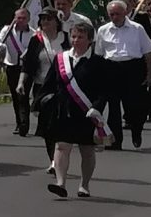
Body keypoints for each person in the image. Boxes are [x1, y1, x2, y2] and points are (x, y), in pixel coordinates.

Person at [37, 13, 107, 198]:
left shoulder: (98, 62)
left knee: (87, 150)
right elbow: (49, 84)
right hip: (64, 111)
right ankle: (60, 183)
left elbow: (104, 90)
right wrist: (41, 102)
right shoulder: (61, 59)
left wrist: (97, 108)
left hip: (87, 112)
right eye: (73, 36)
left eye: (80, 37)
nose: (75, 40)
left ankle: (84, 185)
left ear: (90, 40)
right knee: (61, 146)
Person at [92, 0, 151, 149]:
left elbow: (148, 53)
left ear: (125, 12)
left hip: (133, 68)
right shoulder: (103, 30)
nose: (115, 17)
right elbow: (99, 54)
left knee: (134, 106)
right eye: (111, 14)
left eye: (117, 14)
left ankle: (136, 130)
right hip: (111, 68)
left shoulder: (137, 28)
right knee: (113, 107)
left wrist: (150, 75)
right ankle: (115, 141)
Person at [0, 7, 41, 137]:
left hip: (26, 68)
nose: (20, 20)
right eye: (18, 18)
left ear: (28, 19)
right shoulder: (7, 30)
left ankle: (24, 124)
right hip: (11, 66)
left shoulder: (33, 34)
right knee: (15, 96)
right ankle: (19, 122)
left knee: (23, 95)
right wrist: (0, 46)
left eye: (23, 18)